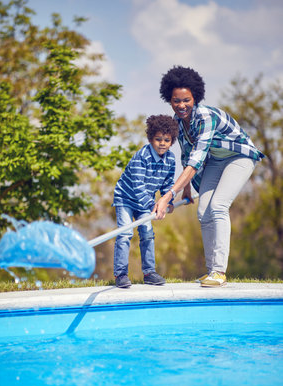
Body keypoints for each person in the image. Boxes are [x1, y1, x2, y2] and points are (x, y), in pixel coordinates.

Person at [154, 66, 265, 287]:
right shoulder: (177, 123)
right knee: (204, 211)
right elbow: (186, 154)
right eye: (176, 101)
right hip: (217, 159)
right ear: (169, 100)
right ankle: (211, 271)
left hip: (240, 156)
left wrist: (168, 196)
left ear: (195, 97)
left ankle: (219, 272)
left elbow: (196, 161)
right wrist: (186, 189)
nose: (182, 105)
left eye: (186, 100)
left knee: (218, 206)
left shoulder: (205, 117)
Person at [113, 114, 179, 288]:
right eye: (158, 139)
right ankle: (120, 275)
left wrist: (167, 200)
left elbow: (167, 183)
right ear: (150, 138)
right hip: (126, 199)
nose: (162, 143)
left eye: (167, 140)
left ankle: (149, 272)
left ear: (172, 141)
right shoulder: (142, 157)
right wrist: (153, 206)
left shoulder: (171, 160)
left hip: (145, 201)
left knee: (148, 234)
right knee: (125, 234)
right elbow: (138, 186)